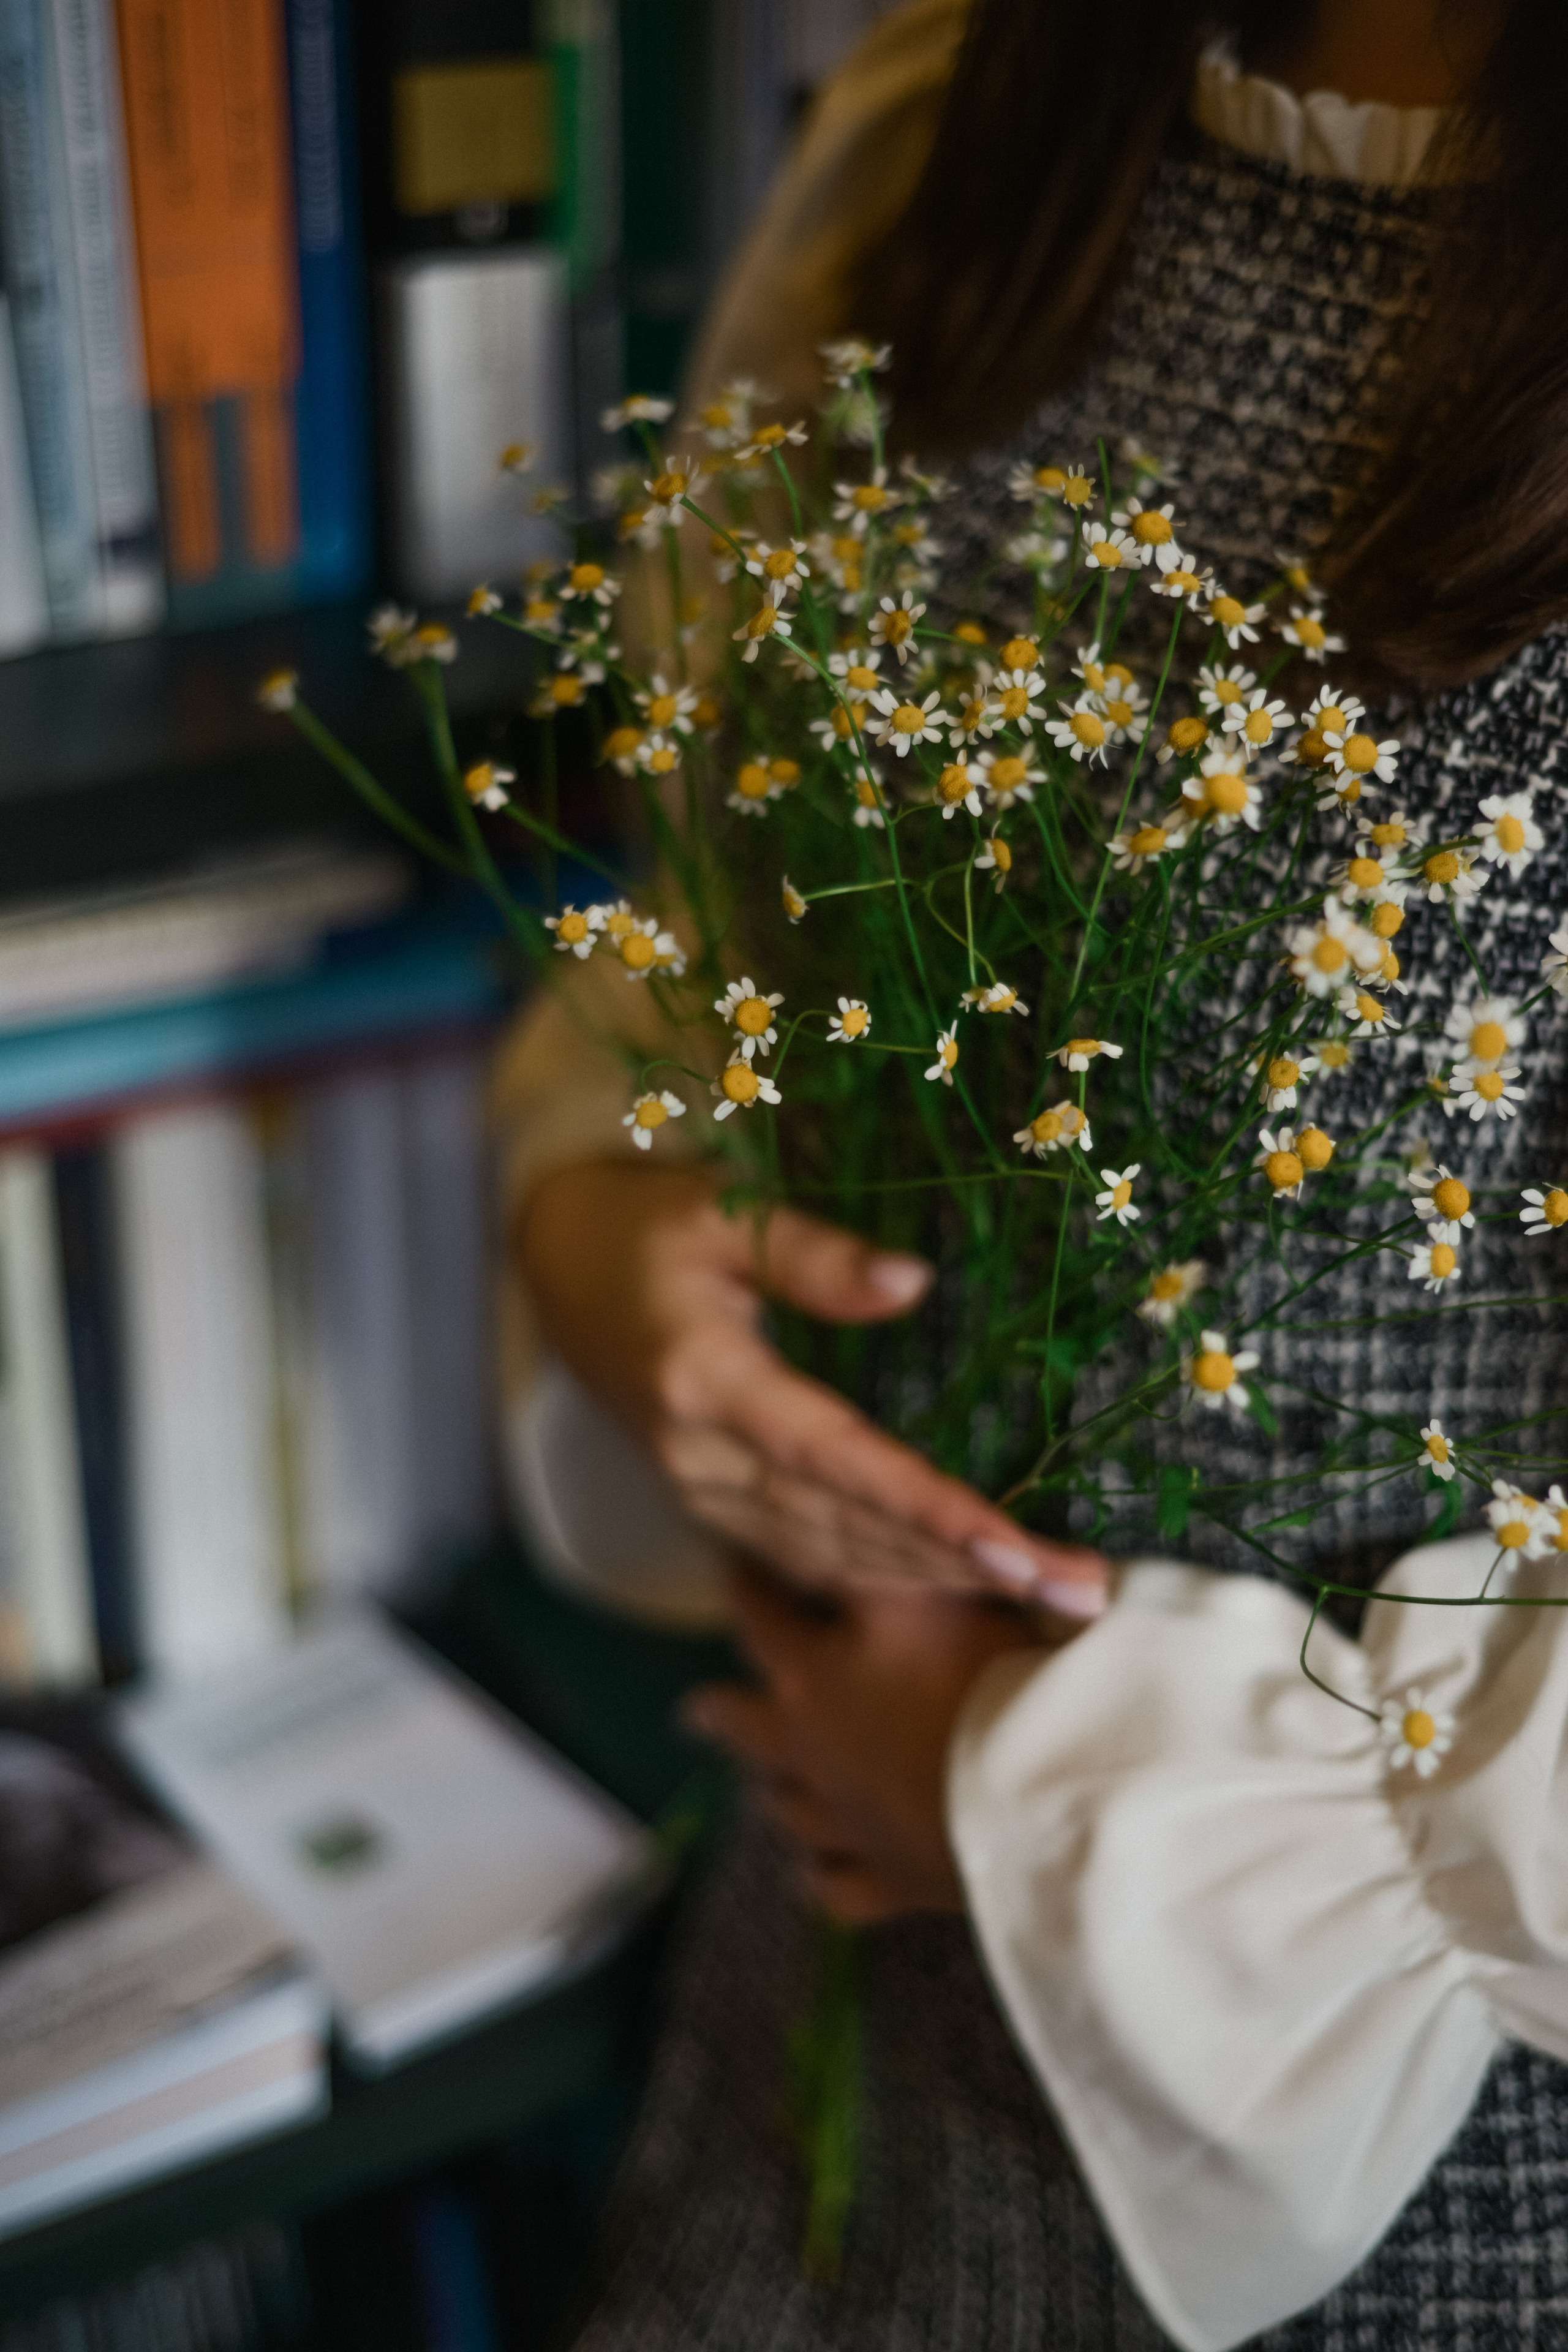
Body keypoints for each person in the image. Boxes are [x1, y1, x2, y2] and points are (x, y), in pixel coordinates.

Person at [496, 1, 1568, 2343]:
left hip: (1403, 2173)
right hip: (825, 2025)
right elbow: (702, 910)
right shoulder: (966, 100)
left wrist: (1025, 1769)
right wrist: (606, 1236)